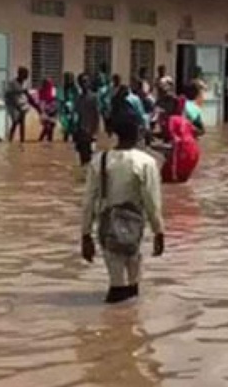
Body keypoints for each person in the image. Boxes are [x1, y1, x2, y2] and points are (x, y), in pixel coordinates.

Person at [81, 111, 165, 304]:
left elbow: (89, 201)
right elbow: (152, 202)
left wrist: (86, 235)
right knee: (133, 282)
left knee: (116, 279)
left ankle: (115, 322)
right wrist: (159, 232)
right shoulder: (146, 162)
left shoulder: (100, 161)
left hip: (108, 225)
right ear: (138, 134)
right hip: (135, 226)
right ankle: (126, 324)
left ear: (115, 134)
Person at [159, 96, 201, 184]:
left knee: (166, 176)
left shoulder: (171, 119)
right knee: (182, 179)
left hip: (182, 148)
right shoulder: (185, 120)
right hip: (194, 150)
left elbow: (171, 135)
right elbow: (197, 132)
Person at [72, 74, 100, 166]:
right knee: (82, 158)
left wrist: (95, 132)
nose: (84, 84)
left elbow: (96, 115)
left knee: (90, 157)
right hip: (80, 131)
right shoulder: (78, 98)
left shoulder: (94, 97)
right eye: (81, 82)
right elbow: (76, 115)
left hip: (90, 132)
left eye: (85, 81)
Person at [5, 66, 31, 143]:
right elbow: (7, 94)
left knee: (22, 122)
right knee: (15, 122)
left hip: (22, 104)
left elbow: (27, 94)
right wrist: (18, 92)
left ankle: (22, 140)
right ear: (20, 74)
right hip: (13, 105)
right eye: (25, 74)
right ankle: (10, 140)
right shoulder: (12, 83)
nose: (26, 76)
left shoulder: (25, 83)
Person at [59, 72, 79, 143]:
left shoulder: (75, 89)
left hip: (73, 110)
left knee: (74, 128)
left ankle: (74, 140)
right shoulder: (63, 88)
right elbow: (61, 100)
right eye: (67, 78)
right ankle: (66, 141)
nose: (69, 80)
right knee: (66, 128)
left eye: (70, 78)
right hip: (65, 110)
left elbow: (77, 99)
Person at [38, 77, 58, 142]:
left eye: (49, 83)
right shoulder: (41, 91)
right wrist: (42, 111)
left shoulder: (54, 91)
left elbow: (56, 100)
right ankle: (40, 140)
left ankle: (49, 141)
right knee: (47, 127)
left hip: (53, 110)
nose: (47, 84)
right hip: (45, 110)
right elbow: (40, 101)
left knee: (51, 127)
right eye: (46, 83)